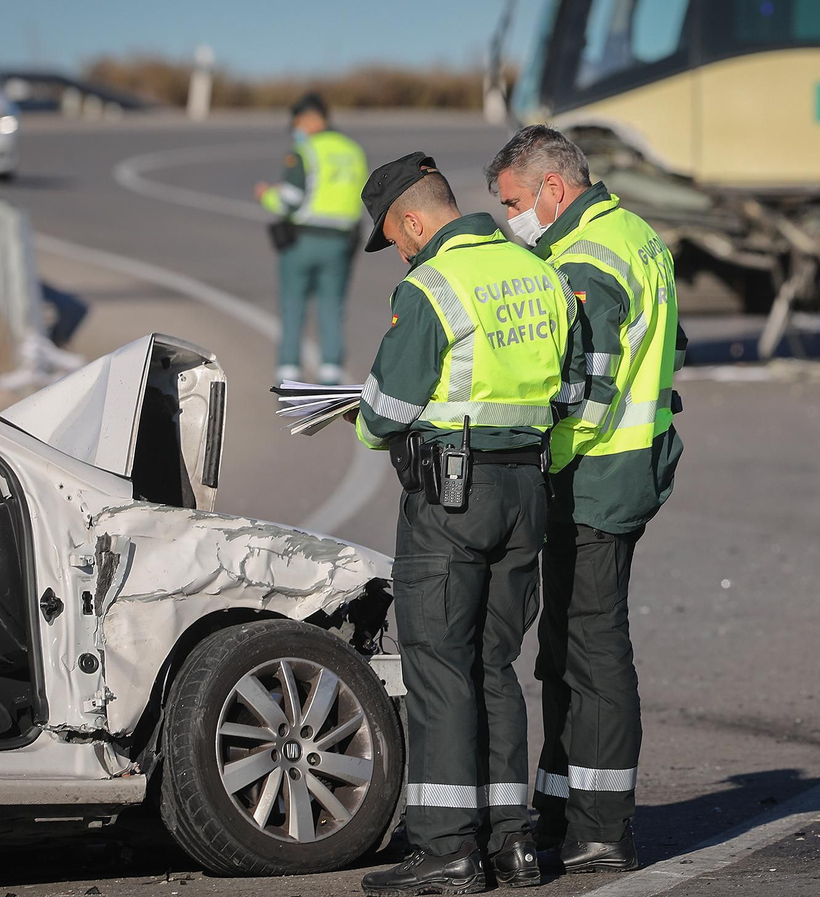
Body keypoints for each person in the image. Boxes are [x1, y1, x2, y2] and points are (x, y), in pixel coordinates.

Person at [351, 152, 585, 896]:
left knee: (438, 666)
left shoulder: (430, 286)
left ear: (413, 220)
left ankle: (447, 849)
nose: (401, 250)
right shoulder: (540, 272)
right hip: (526, 490)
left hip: (451, 497)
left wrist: (368, 412)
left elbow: (380, 415)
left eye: (395, 236)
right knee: (493, 666)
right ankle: (510, 843)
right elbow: (573, 386)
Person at [484, 124, 687, 873]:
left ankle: (601, 827)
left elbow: (586, 388)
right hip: (626, 462)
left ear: (553, 189)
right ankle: (563, 805)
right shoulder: (632, 233)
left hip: (595, 472)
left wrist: (518, 432)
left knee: (592, 651)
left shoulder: (585, 258)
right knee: (568, 646)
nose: (511, 218)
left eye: (514, 202)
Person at [254, 93, 368, 384]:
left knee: (293, 304)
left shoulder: (304, 151)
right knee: (332, 306)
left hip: (303, 240)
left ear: (307, 119)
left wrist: (266, 195)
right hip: (342, 241)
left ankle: (289, 371)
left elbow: (289, 202)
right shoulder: (353, 150)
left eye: (297, 123)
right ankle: (331, 371)